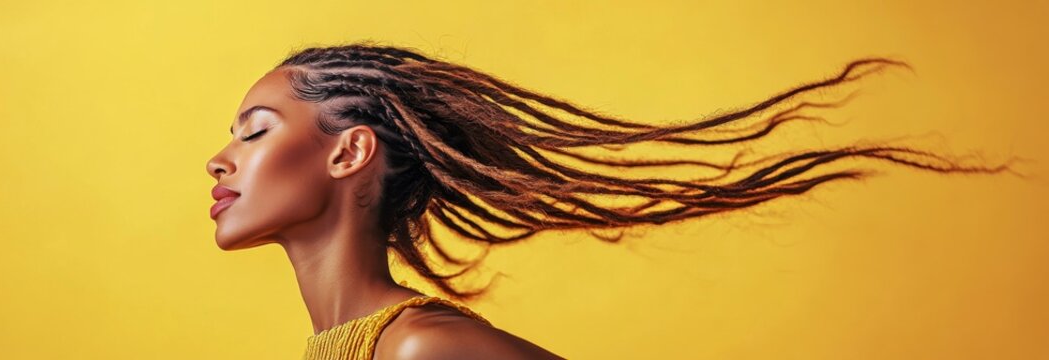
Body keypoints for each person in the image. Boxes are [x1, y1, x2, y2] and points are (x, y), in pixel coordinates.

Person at [205, 42, 1012, 359]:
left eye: (255, 131)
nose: (220, 159)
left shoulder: (426, 351)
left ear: (349, 151)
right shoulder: (347, 351)